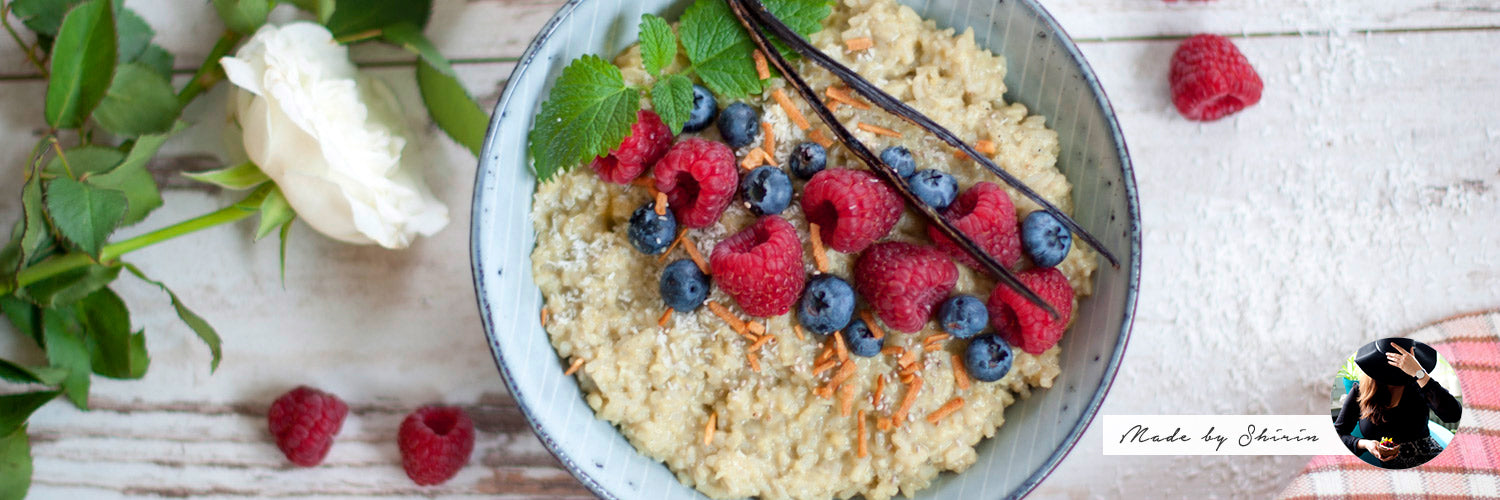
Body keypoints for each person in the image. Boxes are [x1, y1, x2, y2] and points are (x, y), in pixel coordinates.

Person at [1334, 338, 1462, 469]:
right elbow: (1337, 434)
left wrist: (1419, 373)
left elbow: (1453, 415)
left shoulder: (1420, 385)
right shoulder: (1360, 392)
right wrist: (1365, 444)